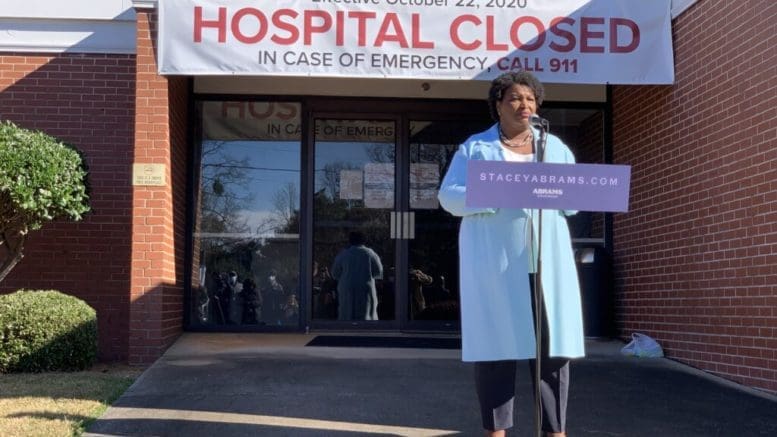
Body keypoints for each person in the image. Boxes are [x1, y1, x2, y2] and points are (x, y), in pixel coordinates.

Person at [438, 71, 584, 437]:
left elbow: (574, 205)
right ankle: (496, 430)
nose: (525, 105)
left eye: (531, 99)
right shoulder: (475, 148)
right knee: (496, 350)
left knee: (551, 354)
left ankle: (555, 430)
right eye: (516, 98)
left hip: (544, 266)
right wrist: (492, 195)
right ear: (498, 105)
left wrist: (569, 195)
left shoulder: (554, 148)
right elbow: (449, 197)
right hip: (498, 266)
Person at [331, 231, 383, 320]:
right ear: (364, 240)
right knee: (366, 315)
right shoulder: (370, 254)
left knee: (346, 314)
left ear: (350, 241)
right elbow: (378, 272)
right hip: (365, 288)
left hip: (346, 288)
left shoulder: (343, 254)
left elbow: (335, 273)